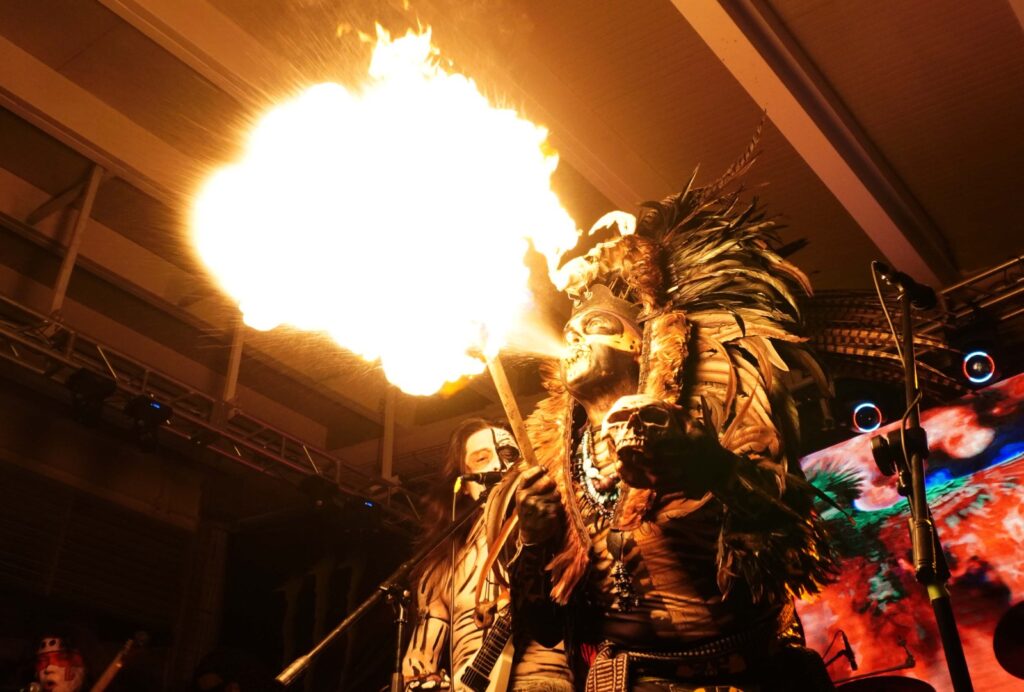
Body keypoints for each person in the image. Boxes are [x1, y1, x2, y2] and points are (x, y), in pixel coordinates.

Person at [511, 158, 840, 691]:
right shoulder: (556, 466)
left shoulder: (708, 404)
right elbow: (545, 628)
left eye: (594, 325)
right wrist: (532, 542)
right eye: (568, 333)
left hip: (751, 677)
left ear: (638, 343)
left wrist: (708, 465)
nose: (574, 340)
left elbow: (786, 524)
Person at [401, 418, 573, 692]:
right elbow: (419, 660)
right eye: (482, 458)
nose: (498, 465)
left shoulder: (558, 533)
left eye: (509, 455)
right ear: (463, 483)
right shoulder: (442, 565)